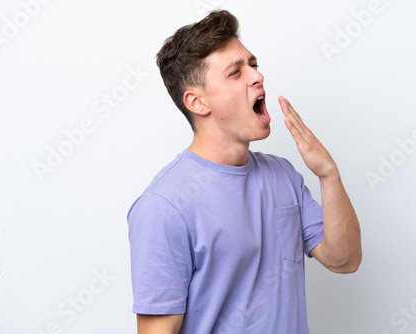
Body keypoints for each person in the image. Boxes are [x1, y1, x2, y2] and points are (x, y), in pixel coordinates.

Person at [127, 10, 362, 334]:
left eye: (252, 64)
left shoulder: (282, 175)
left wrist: (328, 175)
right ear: (197, 102)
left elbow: (344, 260)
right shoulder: (164, 206)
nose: (256, 76)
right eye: (235, 73)